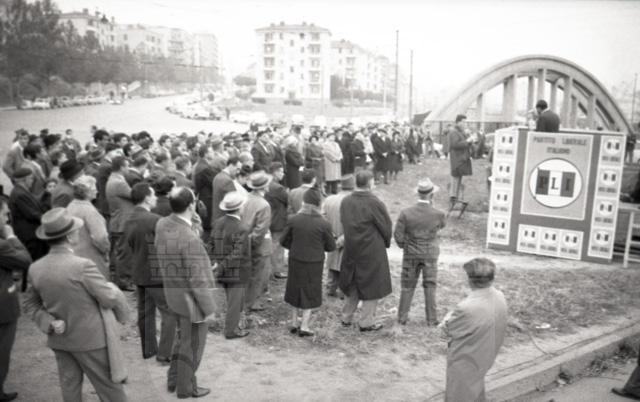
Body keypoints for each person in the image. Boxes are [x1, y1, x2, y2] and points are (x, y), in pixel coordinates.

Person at [23, 208, 129, 402]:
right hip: (92, 340)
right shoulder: (82, 266)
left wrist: (48, 321)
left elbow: (30, 303)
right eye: (75, 230)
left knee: (70, 387)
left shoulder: (35, 268)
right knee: (110, 390)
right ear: (70, 236)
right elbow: (108, 299)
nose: (78, 232)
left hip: (60, 340)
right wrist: (112, 289)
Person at [154, 187, 217, 399]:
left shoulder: (162, 224)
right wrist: (209, 309)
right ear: (191, 205)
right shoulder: (189, 239)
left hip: (173, 293)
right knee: (193, 346)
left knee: (182, 341)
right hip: (191, 300)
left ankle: (174, 379)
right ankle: (186, 387)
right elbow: (197, 281)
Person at [441, 258, 507, 402]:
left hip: (465, 359)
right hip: (486, 353)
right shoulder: (500, 296)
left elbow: (446, 331)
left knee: (459, 394)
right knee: (476, 389)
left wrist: (447, 318)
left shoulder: (466, 307)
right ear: (492, 278)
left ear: (470, 280)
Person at [125, 182, 176, 363]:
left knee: (145, 313)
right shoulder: (154, 220)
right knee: (169, 312)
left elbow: (130, 245)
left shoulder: (128, 218)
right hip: (157, 273)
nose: (155, 198)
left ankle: (149, 350)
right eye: (153, 195)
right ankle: (165, 353)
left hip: (139, 271)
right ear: (147, 198)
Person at [339, 170, 393, 331]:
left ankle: (346, 317)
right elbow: (386, 226)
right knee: (372, 285)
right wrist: (385, 242)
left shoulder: (346, 201)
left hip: (351, 247)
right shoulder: (374, 202)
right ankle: (366, 322)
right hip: (371, 249)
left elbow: (344, 222)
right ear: (370, 183)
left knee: (353, 282)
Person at [281, 188, 336, 337]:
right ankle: (304, 326)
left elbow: (283, 241)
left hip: (296, 258)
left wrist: (294, 247)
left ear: (304, 202)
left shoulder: (293, 219)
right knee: (310, 290)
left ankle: (294, 323)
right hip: (314, 261)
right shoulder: (324, 224)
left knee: (294, 287)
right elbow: (331, 246)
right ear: (318, 204)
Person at [394, 179, 446, 326]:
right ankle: (431, 319)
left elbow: (398, 236)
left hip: (411, 253)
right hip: (430, 253)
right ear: (432, 195)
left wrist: (406, 246)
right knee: (430, 285)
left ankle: (402, 318)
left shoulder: (406, 213)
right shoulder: (439, 214)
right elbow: (441, 226)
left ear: (417, 193)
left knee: (407, 285)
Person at [0, 196, 31, 402]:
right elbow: (24, 260)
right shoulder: (2, 244)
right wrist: (11, 237)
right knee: (2, 351)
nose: (7, 219)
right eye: (4, 214)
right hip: (3, 308)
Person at [210, 191, 251, 340]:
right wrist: (221, 266)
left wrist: (216, 263)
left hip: (222, 269)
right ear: (239, 208)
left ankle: (238, 324)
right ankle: (231, 331)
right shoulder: (242, 228)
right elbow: (237, 254)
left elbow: (211, 244)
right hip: (237, 271)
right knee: (235, 303)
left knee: (233, 300)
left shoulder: (218, 222)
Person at [9, 168, 48, 287]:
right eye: (31, 178)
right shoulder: (20, 194)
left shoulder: (21, 191)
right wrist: (48, 219)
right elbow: (32, 214)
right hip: (31, 235)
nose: (32, 181)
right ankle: (31, 287)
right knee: (34, 263)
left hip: (31, 233)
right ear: (24, 180)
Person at [66, 175, 110, 279]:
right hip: (91, 258)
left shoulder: (70, 206)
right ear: (88, 192)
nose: (97, 191)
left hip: (74, 256)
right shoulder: (90, 211)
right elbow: (100, 237)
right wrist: (106, 250)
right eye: (94, 188)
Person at [241, 172, 273, 312]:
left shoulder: (244, 199)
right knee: (258, 274)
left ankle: (246, 300)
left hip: (244, 239)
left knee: (248, 273)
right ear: (264, 187)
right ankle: (252, 303)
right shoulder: (264, 205)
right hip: (259, 245)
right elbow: (261, 229)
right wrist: (252, 243)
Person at [322, 174, 355, 297]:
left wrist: (331, 235)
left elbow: (322, 218)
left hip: (332, 237)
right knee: (346, 263)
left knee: (333, 261)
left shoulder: (329, 199)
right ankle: (343, 290)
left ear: (341, 185)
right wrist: (343, 237)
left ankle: (330, 287)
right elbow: (356, 223)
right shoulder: (354, 201)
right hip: (348, 238)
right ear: (353, 186)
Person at [106, 156, 135, 290]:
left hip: (117, 221)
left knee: (119, 253)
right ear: (122, 167)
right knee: (124, 254)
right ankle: (124, 281)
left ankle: (120, 278)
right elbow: (135, 195)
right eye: (127, 166)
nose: (129, 169)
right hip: (122, 222)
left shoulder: (113, 179)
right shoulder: (119, 183)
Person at [265, 162, 288, 280]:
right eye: (281, 171)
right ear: (275, 172)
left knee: (273, 244)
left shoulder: (268, 184)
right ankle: (277, 270)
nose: (283, 174)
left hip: (271, 218)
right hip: (278, 219)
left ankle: (272, 270)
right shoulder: (278, 188)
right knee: (278, 246)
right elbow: (288, 199)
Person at [448, 114, 473, 206]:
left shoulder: (461, 132)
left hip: (462, 159)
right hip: (457, 159)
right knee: (456, 178)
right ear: (458, 122)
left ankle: (457, 199)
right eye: (463, 122)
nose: (465, 124)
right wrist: (467, 141)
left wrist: (469, 140)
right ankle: (454, 199)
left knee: (459, 179)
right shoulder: (453, 132)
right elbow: (455, 145)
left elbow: (464, 144)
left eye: (466, 122)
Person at [211, 157, 243, 226]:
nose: (238, 172)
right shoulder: (228, 181)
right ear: (231, 165)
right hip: (224, 221)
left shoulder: (217, 176)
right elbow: (234, 202)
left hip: (216, 217)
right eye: (237, 169)